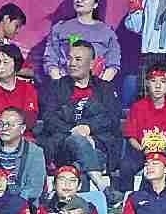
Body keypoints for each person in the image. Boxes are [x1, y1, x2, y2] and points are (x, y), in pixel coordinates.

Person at [38, 40, 121, 190]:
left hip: (97, 143)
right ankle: (102, 185)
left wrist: (89, 128)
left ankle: (80, 180)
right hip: (63, 145)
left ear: (91, 64)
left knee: (81, 160)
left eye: (78, 59)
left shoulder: (105, 88)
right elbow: (49, 118)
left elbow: (112, 118)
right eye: (70, 58)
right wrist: (73, 132)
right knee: (77, 141)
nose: (72, 63)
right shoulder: (56, 87)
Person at [43, 0, 120, 82]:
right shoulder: (60, 28)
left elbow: (113, 64)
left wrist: (100, 86)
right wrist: (60, 84)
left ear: (95, 4)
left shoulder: (107, 32)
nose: (79, 0)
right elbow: (50, 60)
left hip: (95, 85)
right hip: (65, 84)